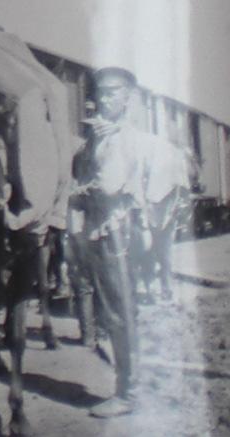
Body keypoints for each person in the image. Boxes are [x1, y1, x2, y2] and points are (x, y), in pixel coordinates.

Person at [68, 66, 156, 418]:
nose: (103, 98)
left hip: (116, 232)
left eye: (112, 92)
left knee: (120, 315)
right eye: (100, 92)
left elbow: (109, 186)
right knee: (115, 312)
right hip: (103, 230)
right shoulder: (104, 134)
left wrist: (76, 190)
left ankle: (129, 393)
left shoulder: (124, 136)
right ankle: (130, 387)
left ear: (129, 97)